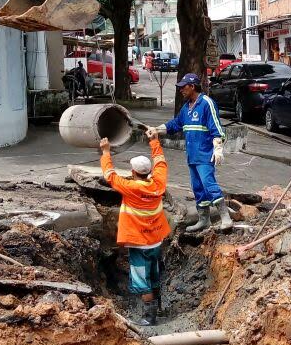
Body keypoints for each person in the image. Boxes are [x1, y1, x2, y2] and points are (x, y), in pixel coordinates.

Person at [99, 127, 170, 326]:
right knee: (154, 273)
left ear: (133, 172)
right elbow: (161, 163)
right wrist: (154, 141)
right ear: (148, 173)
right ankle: (159, 308)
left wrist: (106, 152)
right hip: (155, 240)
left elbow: (110, 176)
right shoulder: (158, 185)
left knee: (141, 280)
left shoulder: (130, 188)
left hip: (139, 244)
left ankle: (149, 317)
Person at [152, 73, 232, 232]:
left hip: (204, 155)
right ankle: (204, 220)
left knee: (209, 185)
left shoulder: (206, 104)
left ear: (192, 86)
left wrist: (218, 149)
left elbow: (216, 128)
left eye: (184, 87)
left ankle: (225, 217)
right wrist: (156, 130)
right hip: (192, 156)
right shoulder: (186, 108)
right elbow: (175, 124)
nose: (181, 89)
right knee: (197, 188)